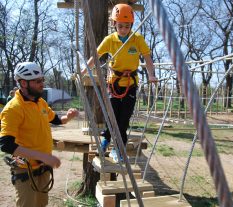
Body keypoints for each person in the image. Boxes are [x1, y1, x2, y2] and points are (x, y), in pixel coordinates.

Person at [81, 4, 158, 163]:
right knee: (112, 115)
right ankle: (106, 139)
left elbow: (148, 58)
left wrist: (151, 74)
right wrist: (82, 71)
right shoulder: (110, 40)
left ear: (132, 25)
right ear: (114, 24)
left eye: (127, 26)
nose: (124, 29)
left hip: (131, 83)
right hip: (114, 83)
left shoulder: (137, 39)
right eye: (120, 26)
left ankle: (119, 148)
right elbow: (96, 56)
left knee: (124, 118)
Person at [0, 62, 79, 207]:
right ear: (23, 83)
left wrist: (68, 117)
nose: (42, 84)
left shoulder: (40, 102)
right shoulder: (13, 108)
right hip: (25, 169)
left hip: (43, 167)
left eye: (42, 80)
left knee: (42, 204)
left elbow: (55, 119)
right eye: (37, 81)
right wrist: (44, 156)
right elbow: (6, 144)